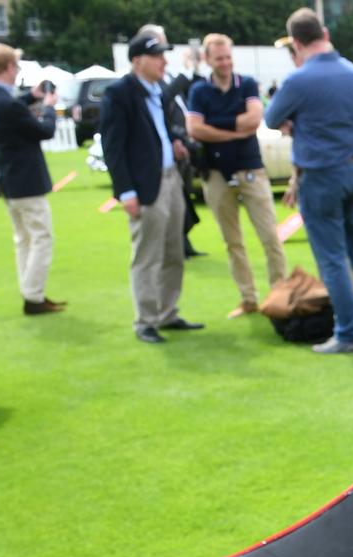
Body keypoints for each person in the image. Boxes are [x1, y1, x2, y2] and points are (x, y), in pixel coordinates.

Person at [265, 8, 353, 354]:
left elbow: (272, 117)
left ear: (295, 42)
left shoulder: (299, 79)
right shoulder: (350, 70)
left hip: (321, 174)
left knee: (333, 259)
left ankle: (349, 334)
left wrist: (297, 121)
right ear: (323, 33)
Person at [100, 32, 203, 344]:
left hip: (171, 177)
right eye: (157, 55)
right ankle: (145, 320)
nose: (163, 60)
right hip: (146, 185)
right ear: (137, 61)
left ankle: (167, 312)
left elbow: (158, 130)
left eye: (163, 54)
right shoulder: (119, 93)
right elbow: (113, 147)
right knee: (147, 255)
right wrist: (125, 192)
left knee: (174, 250)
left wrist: (174, 144)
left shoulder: (157, 90)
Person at [186, 33, 287, 319]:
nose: (226, 63)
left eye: (228, 57)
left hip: (250, 168)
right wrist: (234, 130)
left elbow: (255, 119)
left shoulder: (248, 84)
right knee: (233, 241)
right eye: (219, 58)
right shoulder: (200, 91)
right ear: (208, 60)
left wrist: (216, 128)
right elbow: (195, 128)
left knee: (270, 236)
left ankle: (279, 294)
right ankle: (248, 298)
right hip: (216, 173)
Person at [0, 43, 64, 315]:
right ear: (9, 67)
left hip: (7, 180)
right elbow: (43, 130)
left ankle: (30, 291)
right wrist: (49, 107)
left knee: (24, 239)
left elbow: (10, 108)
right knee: (41, 237)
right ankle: (33, 295)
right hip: (26, 181)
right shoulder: (6, 104)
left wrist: (31, 96)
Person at [136, 24, 204, 259]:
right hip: (162, 156)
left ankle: (182, 243)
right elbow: (164, 101)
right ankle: (175, 245)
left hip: (178, 143)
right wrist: (185, 73)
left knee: (182, 198)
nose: (164, 58)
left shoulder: (161, 77)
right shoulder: (144, 83)